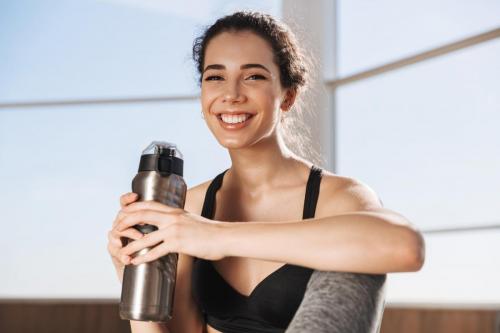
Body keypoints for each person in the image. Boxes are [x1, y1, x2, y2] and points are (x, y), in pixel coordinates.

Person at [107, 11, 425, 333]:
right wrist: (132, 273)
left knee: (358, 260)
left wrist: (215, 237)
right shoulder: (189, 207)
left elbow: (405, 247)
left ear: (287, 96)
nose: (231, 94)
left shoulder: (338, 197)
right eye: (215, 77)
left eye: (253, 76)